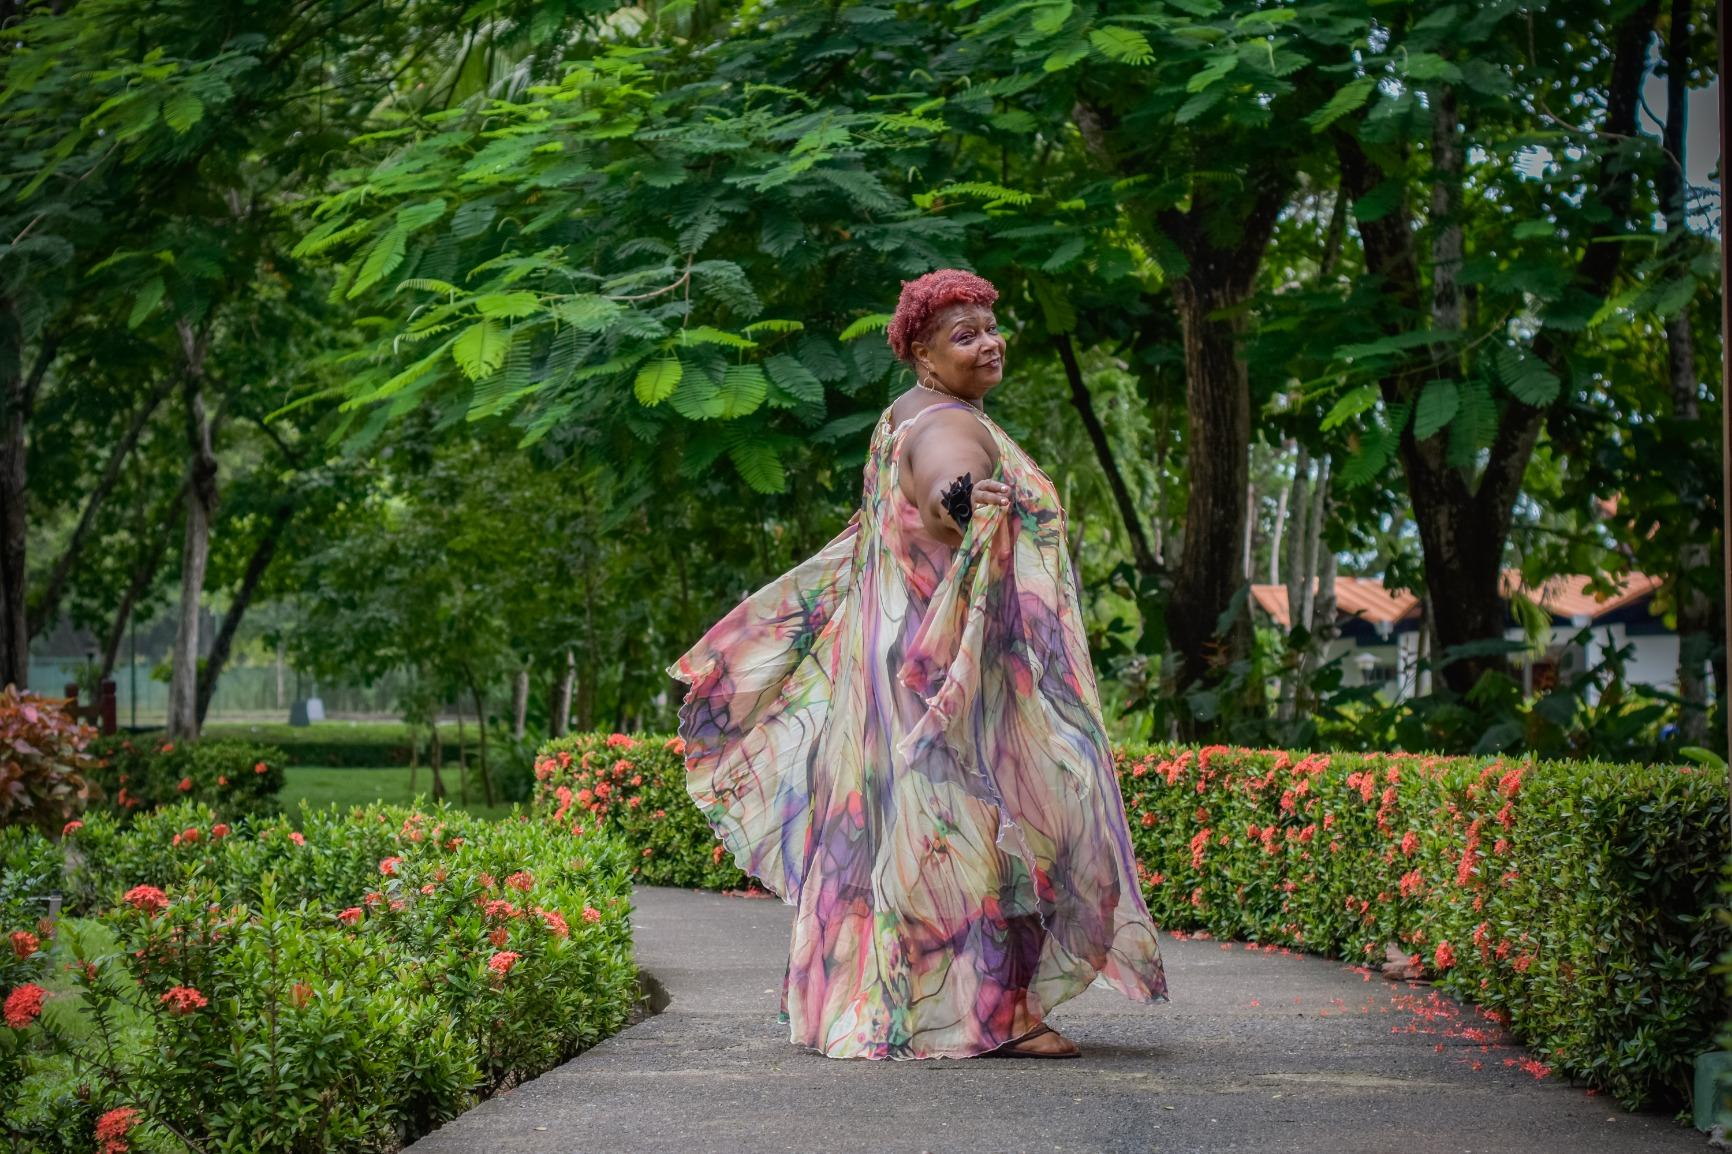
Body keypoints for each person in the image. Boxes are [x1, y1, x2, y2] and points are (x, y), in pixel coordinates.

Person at [666, 267, 1168, 1061]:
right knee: (972, 822)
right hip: (939, 670)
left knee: (904, 826)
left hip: (893, 659)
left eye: (991, 327)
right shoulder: (947, 427)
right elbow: (945, 488)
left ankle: (873, 1005)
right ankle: (997, 1015)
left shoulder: (905, 414)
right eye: (963, 335)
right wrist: (966, 501)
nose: (989, 342)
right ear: (923, 356)